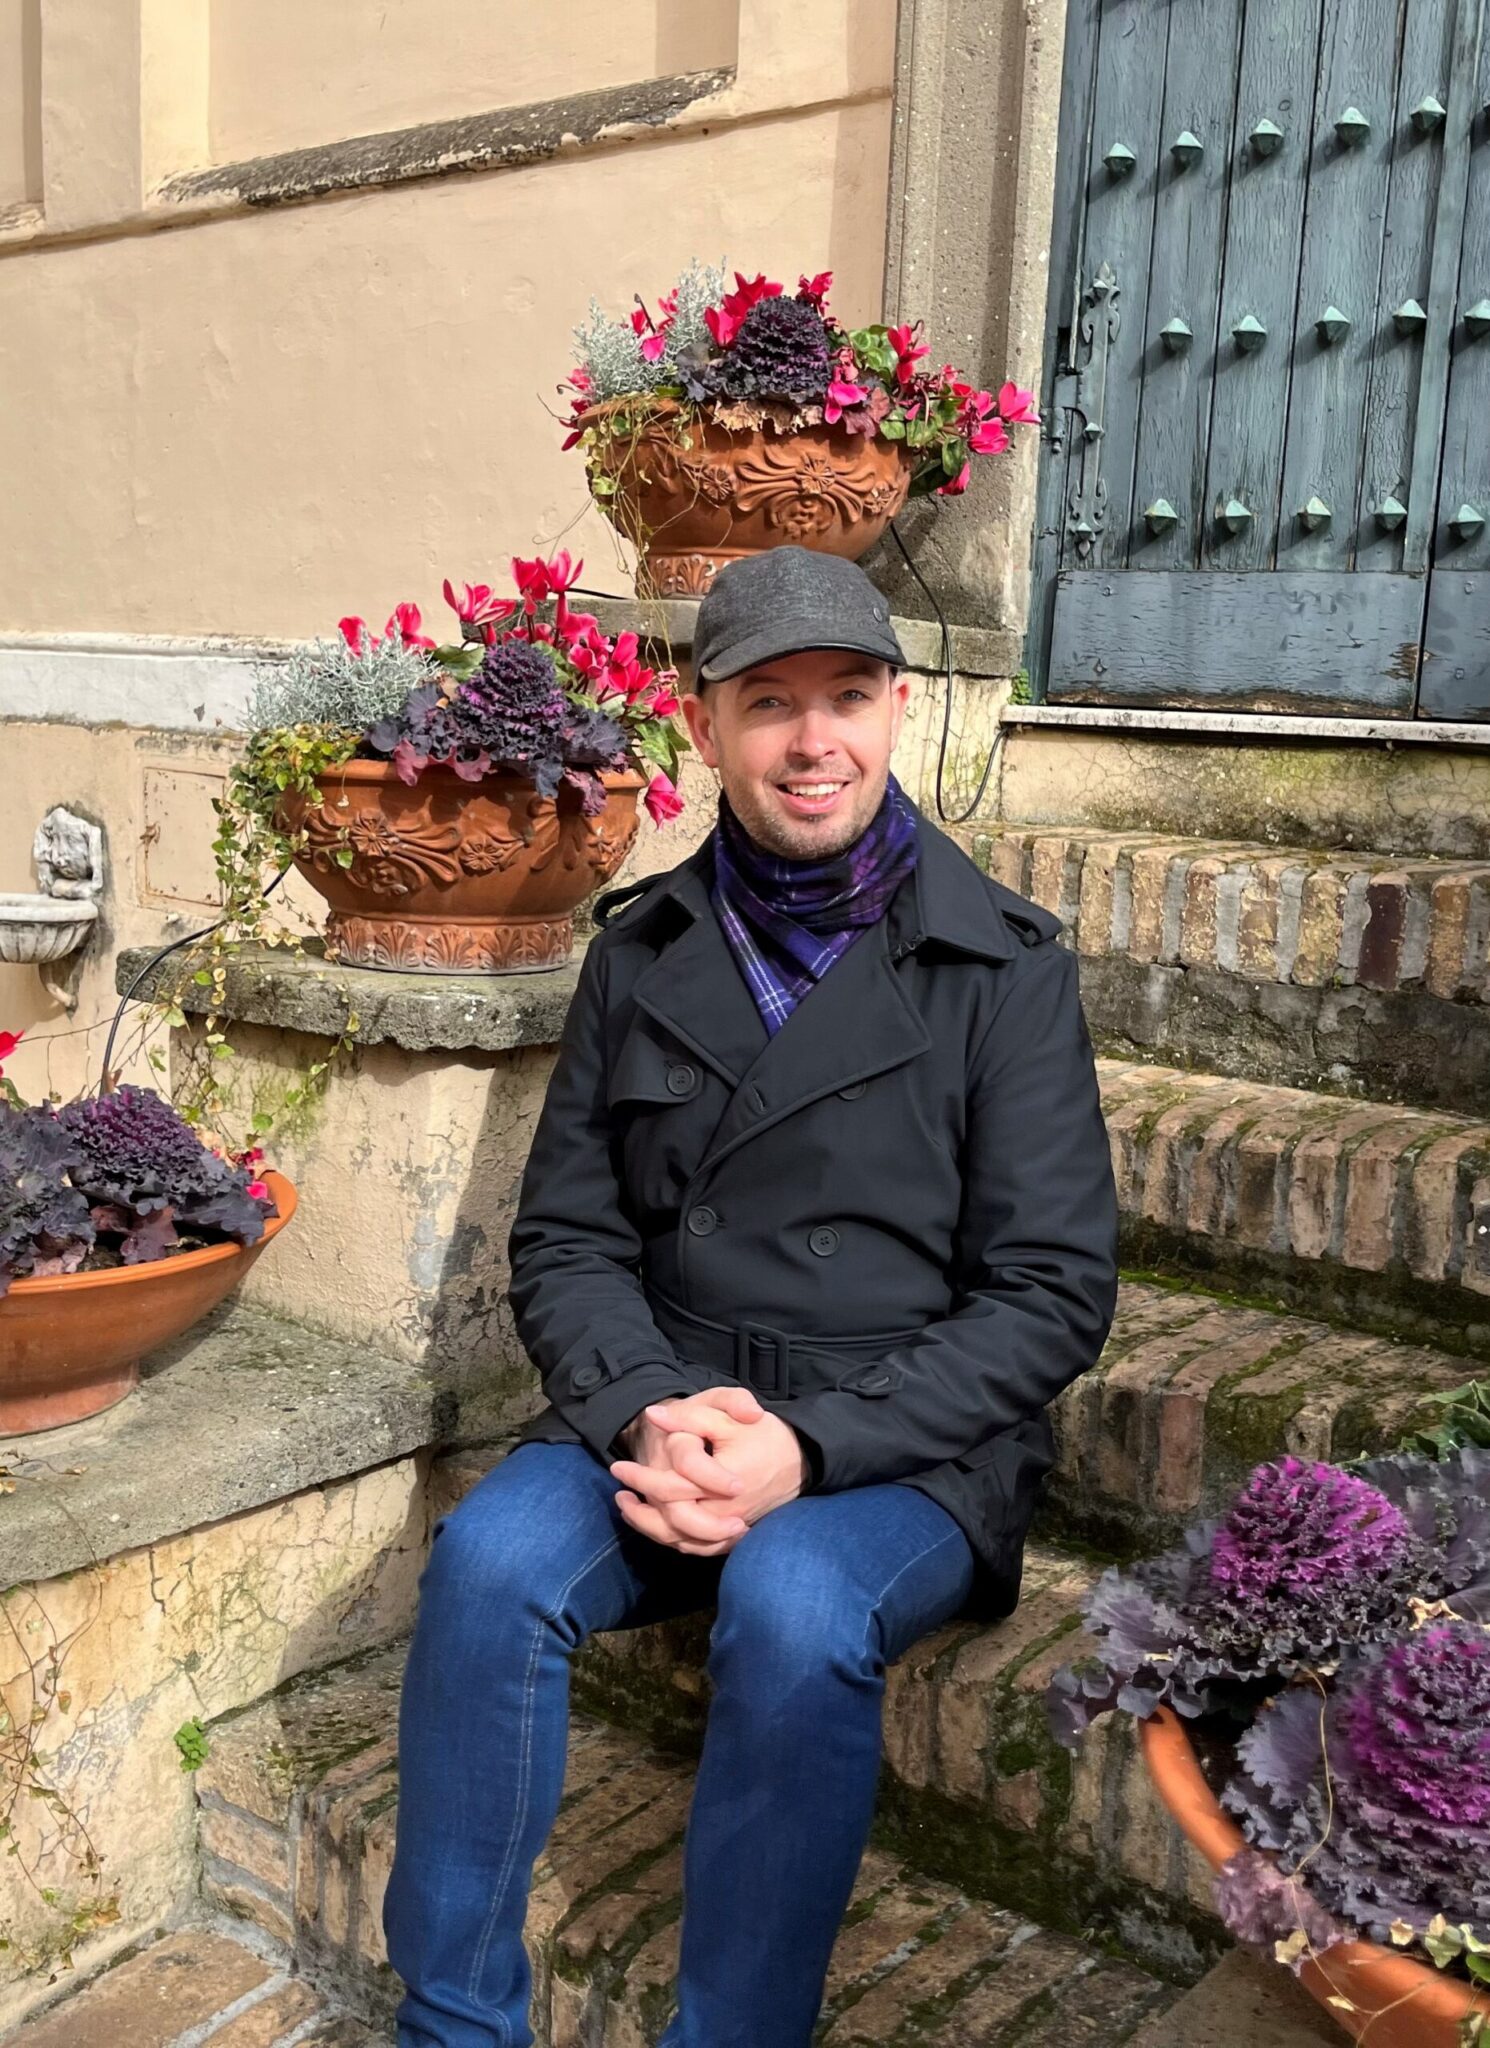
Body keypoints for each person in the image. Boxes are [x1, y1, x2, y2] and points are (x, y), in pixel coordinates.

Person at [382, 546, 1119, 2048]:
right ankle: (450, 2028)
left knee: (792, 1605)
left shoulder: (1003, 969)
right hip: (673, 1399)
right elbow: (567, 1240)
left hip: (903, 1439)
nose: (812, 740)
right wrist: (646, 1410)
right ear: (702, 724)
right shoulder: (639, 953)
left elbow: (1049, 1291)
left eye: (846, 696)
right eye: (769, 702)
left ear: (898, 710)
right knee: (487, 1564)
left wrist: (810, 1448)